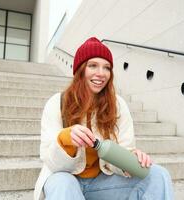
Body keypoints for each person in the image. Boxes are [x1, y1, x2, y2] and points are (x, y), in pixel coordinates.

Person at [34, 37, 174, 200]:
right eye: (93, 65)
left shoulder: (118, 105)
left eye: (106, 68)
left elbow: (125, 149)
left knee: (158, 175)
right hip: (65, 179)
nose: (101, 74)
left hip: (102, 184)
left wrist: (131, 159)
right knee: (62, 183)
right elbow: (50, 160)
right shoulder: (57, 102)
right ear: (80, 70)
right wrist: (66, 139)